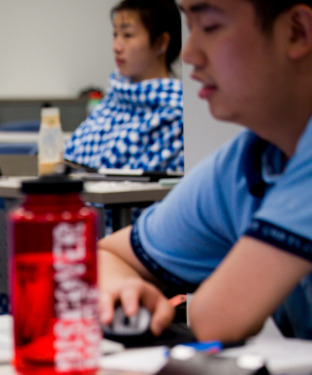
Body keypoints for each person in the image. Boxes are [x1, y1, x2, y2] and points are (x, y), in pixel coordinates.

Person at [98, 0, 312, 350]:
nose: (191, 54)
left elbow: (217, 318)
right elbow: (110, 255)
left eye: (210, 27)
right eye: (190, 27)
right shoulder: (249, 162)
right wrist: (122, 289)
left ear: (297, 32)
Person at [65, 0, 185, 173]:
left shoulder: (176, 113)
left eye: (128, 35)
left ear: (161, 43)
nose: (116, 47)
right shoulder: (114, 100)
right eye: (115, 35)